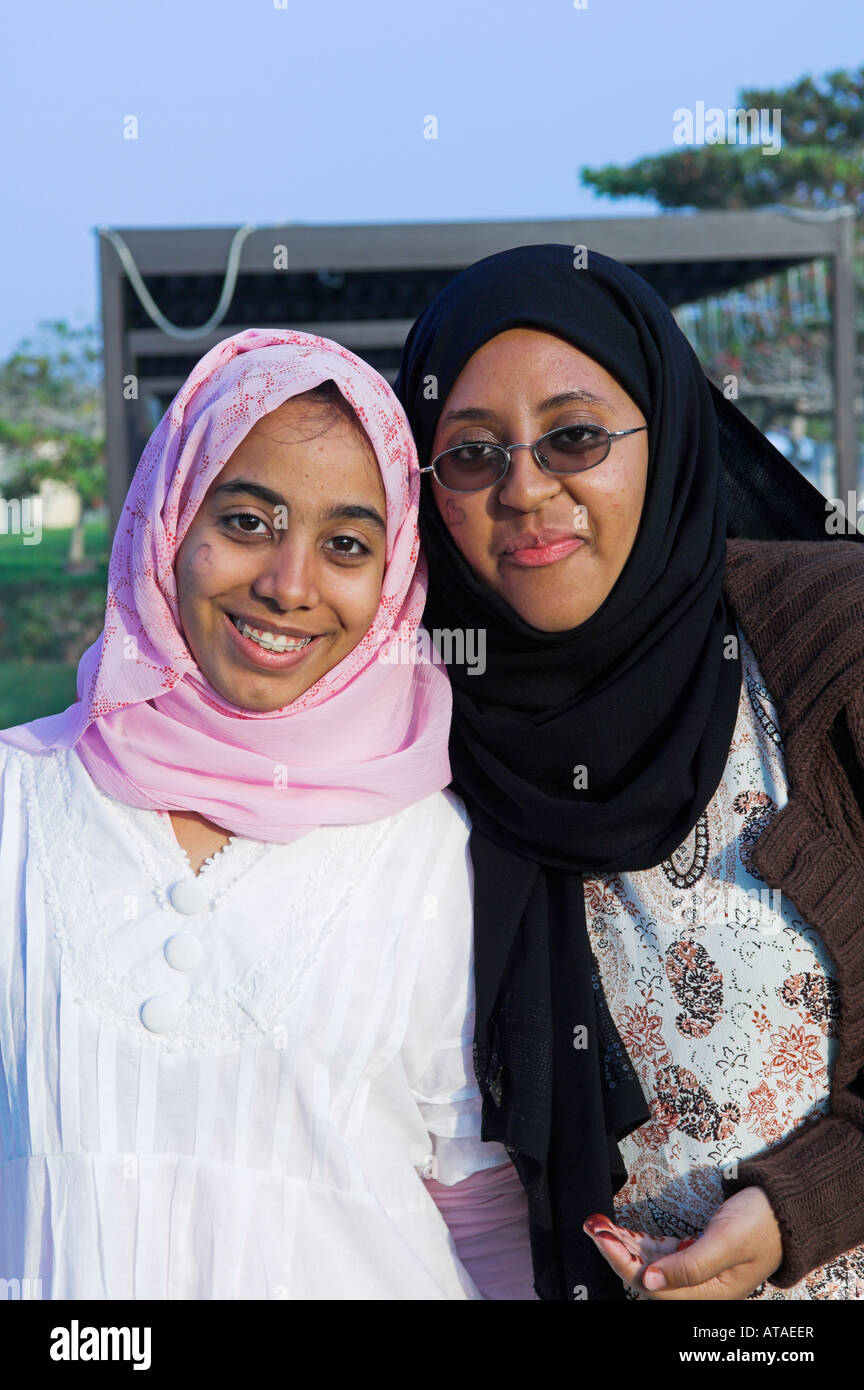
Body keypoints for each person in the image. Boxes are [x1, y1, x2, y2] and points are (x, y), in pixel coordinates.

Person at [0, 328, 535, 1300]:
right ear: (169, 520)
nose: (289, 585)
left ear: (394, 575)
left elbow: (477, 1207)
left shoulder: (438, 850)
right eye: (247, 521)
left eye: (345, 544)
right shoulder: (17, 805)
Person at [394, 243, 864, 1301]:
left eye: (574, 437)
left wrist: (802, 1205)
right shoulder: (406, 726)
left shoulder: (832, 646)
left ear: (669, 426)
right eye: (471, 454)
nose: (525, 489)